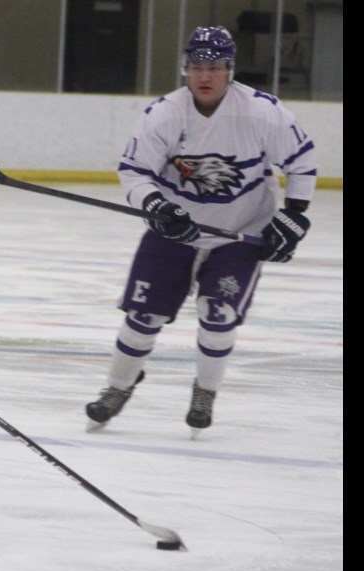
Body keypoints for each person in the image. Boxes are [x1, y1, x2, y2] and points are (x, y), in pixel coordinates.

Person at [85, 26, 317, 438]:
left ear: (230, 70)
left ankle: (205, 392)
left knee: (218, 316)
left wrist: (295, 214)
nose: (204, 76)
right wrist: (155, 205)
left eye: (214, 67)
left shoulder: (262, 112)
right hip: (175, 232)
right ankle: (118, 387)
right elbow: (135, 172)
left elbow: (301, 161)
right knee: (142, 317)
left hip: (240, 232)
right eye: (196, 67)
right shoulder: (165, 114)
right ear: (185, 70)